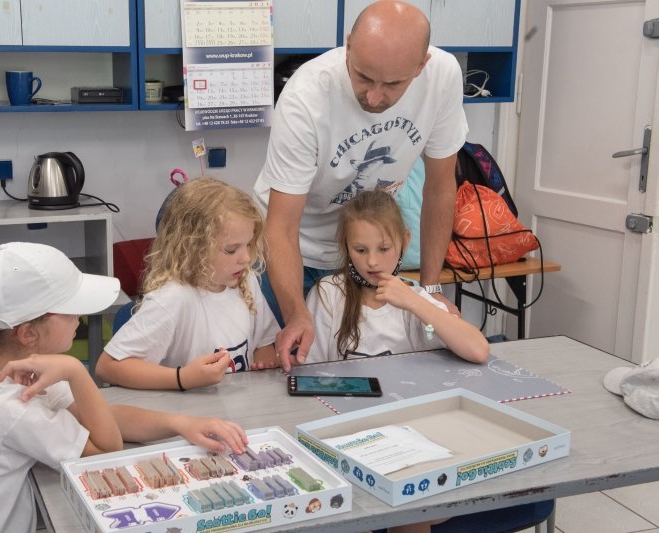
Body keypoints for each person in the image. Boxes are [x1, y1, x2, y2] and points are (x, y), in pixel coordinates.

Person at [0, 242, 248, 533]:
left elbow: (99, 417)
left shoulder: (0, 363)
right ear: (28, 332)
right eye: (71, 310)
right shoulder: (8, 407)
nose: (80, 318)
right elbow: (106, 450)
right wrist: (75, 372)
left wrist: (181, 424)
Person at [254, 0, 468, 370]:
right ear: (349, 45)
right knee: (287, 368)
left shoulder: (444, 76)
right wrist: (297, 315)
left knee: (357, 364)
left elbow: (440, 189)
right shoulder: (307, 95)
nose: (373, 97)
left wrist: (431, 291)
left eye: (392, 84)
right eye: (363, 77)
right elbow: (282, 226)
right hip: (292, 248)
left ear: (421, 66)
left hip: (363, 250)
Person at [96, 178, 280, 391]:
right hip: (187, 417)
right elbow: (108, 366)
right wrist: (182, 378)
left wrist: (264, 366)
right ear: (193, 248)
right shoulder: (174, 297)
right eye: (231, 250)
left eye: (248, 244)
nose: (246, 258)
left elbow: (263, 344)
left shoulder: (245, 280)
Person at [307, 190, 489, 364]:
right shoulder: (327, 294)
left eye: (384, 249)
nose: (372, 261)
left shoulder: (413, 298)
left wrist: (413, 301)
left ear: (405, 241)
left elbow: (478, 350)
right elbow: (311, 368)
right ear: (346, 245)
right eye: (360, 250)